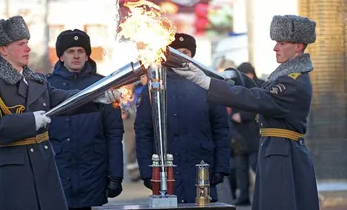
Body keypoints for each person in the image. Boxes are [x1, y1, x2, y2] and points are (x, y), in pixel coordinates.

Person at [173, 15, 319, 210]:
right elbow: (259, 89)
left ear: (298, 46)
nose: (275, 48)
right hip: (277, 150)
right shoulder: (286, 76)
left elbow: (258, 99)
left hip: (282, 153)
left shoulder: (293, 81)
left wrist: (208, 83)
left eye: (281, 43)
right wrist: (234, 76)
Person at [0, 16, 118, 210]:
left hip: (44, 164)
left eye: (27, 43)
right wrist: (29, 121)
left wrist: (96, 97)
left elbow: (65, 100)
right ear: (3, 50)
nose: (28, 48)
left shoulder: (36, 81)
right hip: (15, 172)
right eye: (21, 44)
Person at [135, 33, 231, 203]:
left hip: (201, 167)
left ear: (192, 55)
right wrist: (147, 171)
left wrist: (221, 167)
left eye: (185, 52)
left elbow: (221, 128)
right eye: (176, 52)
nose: (180, 57)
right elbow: (143, 131)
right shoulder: (154, 86)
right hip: (166, 171)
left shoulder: (207, 84)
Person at [47, 29, 124, 210]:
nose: (76, 56)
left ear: (87, 55)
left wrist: (115, 175)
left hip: (92, 168)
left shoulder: (104, 85)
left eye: (81, 51)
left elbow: (114, 132)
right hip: (57, 168)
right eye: (70, 51)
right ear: (61, 56)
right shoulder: (47, 86)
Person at [229, 62, 264, 205]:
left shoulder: (260, 85)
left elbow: (260, 107)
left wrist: (241, 116)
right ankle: (243, 197)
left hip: (255, 136)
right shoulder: (238, 86)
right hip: (239, 137)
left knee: (258, 167)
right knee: (240, 169)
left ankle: (263, 195)